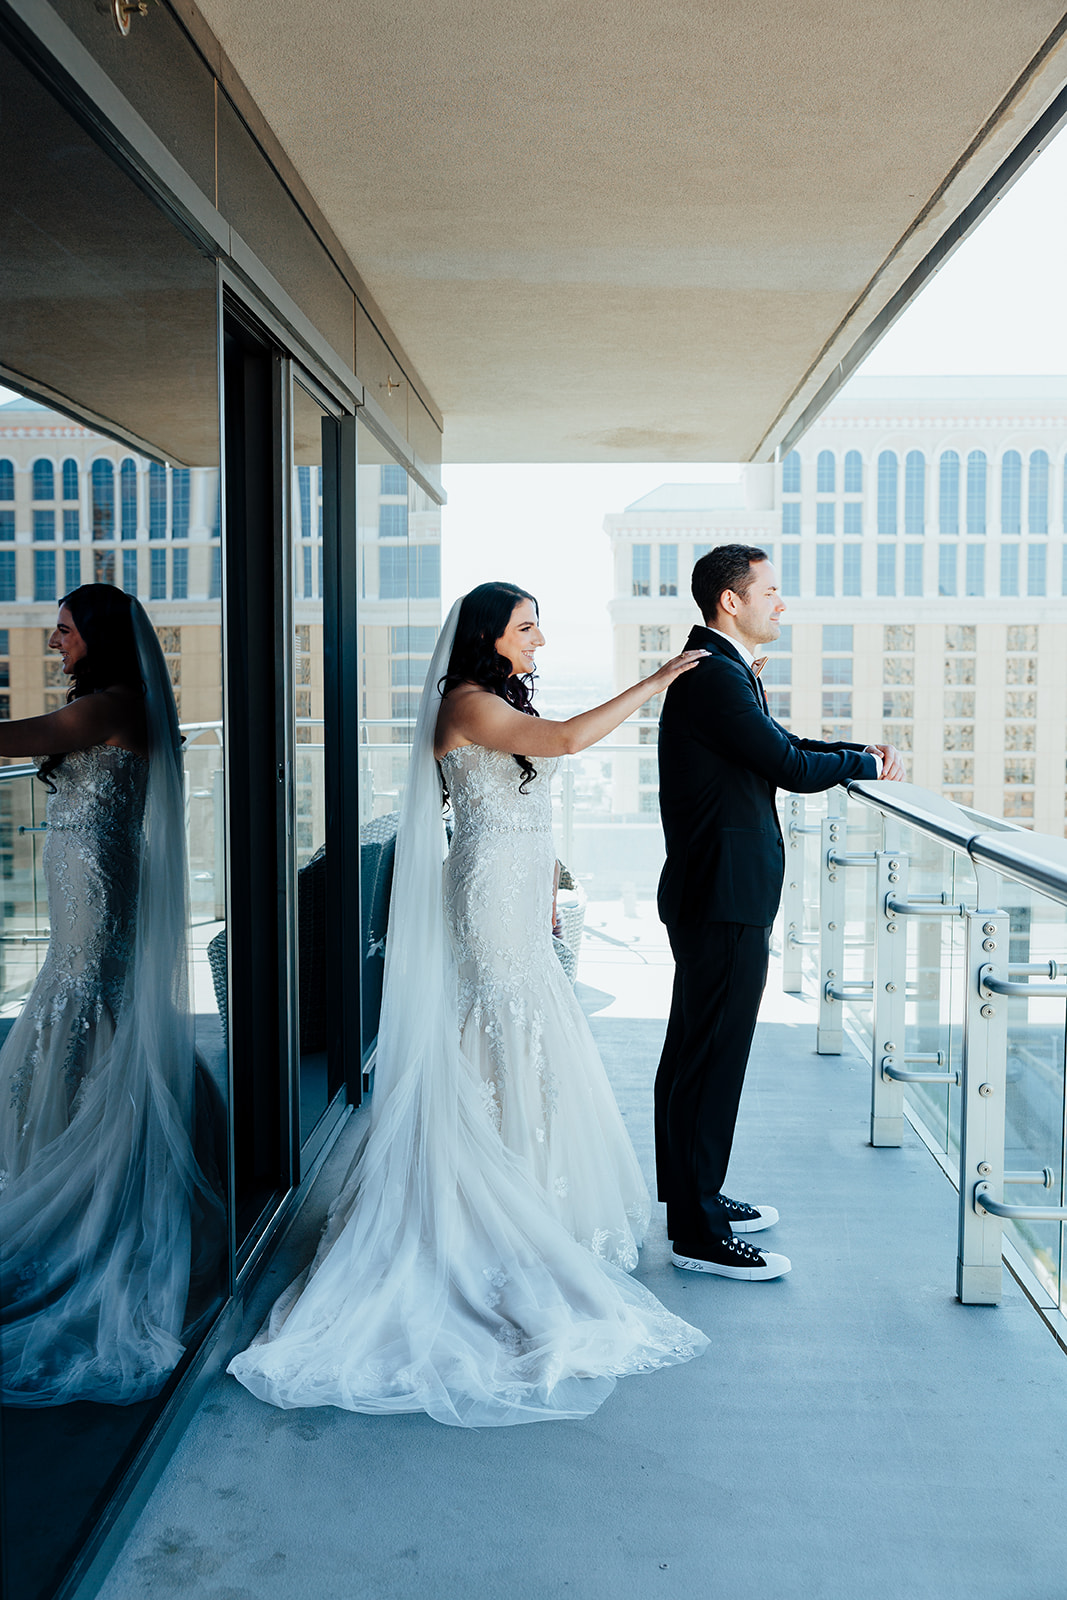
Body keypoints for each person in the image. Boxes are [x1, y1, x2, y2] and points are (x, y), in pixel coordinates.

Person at [228, 583, 709, 1427]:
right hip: (485, 892)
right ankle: (492, 1206)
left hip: (519, 889)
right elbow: (562, 741)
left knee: (523, 1027)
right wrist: (658, 678)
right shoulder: (465, 701)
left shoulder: (493, 699)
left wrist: (551, 886)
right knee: (501, 1022)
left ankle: (534, 1194)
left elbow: (529, 795)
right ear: (487, 637)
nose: (540, 640)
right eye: (527, 627)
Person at [655, 545, 904, 1282]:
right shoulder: (712, 676)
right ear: (730, 601)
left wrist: (854, 750)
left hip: (717, 892)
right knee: (708, 1061)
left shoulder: (723, 670)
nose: (780, 603)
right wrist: (861, 765)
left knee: (697, 1057)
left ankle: (692, 1198)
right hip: (722, 896)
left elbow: (780, 747)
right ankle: (696, 1232)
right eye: (770, 590)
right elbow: (791, 771)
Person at [0, 584, 220, 1405]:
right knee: (92, 1003)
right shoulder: (110, 703)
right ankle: (86, 1144)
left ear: (99, 637)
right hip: (81, 872)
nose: (54, 640)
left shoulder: (110, 706)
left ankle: (88, 1166)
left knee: (86, 999)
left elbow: (13, 739)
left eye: (64, 630)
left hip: (94, 877)